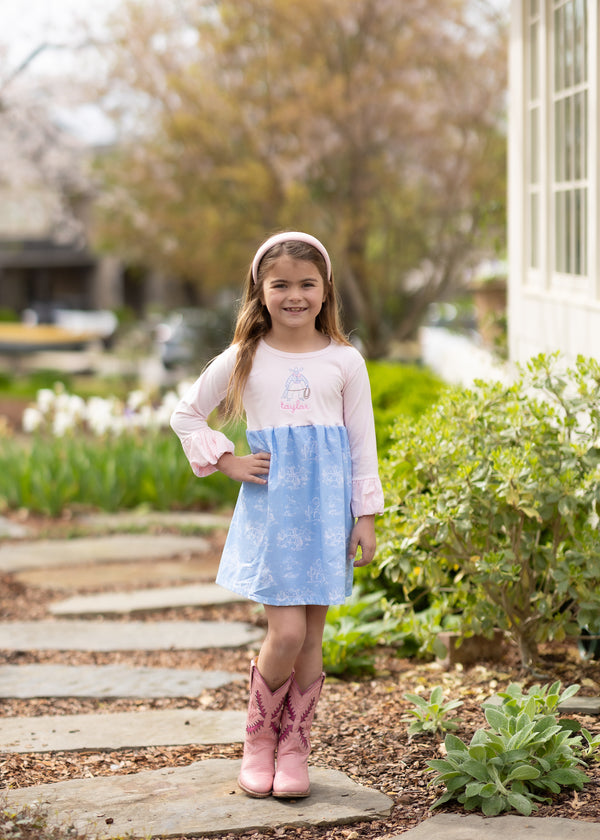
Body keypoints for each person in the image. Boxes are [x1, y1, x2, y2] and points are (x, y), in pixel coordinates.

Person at [170, 231, 384, 799]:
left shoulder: (345, 360)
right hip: (275, 510)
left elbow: (363, 444)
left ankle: (294, 750)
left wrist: (366, 517)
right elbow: (186, 415)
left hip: (327, 513)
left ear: (326, 289)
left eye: (306, 284)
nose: (295, 295)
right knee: (286, 632)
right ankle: (258, 741)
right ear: (260, 291)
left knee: (313, 638)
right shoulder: (244, 357)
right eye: (281, 284)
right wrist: (226, 460)